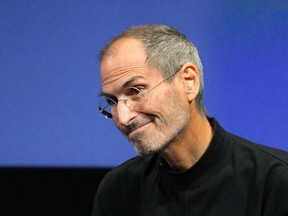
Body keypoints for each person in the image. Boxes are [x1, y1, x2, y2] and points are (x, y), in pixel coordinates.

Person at [93, 25, 288, 216]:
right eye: (112, 101)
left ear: (188, 81)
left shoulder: (275, 181)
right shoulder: (118, 190)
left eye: (136, 91)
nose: (123, 118)